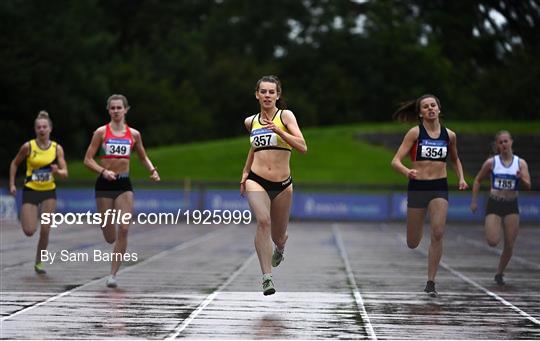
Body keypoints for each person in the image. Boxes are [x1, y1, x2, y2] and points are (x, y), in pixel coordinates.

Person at [391, 94, 468, 297]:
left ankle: (431, 281)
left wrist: (461, 177)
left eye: (433, 105)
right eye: (425, 107)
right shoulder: (415, 133)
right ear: (420, 113)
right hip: (417, 187)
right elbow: (395, 161)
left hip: (439, 187)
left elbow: (455, 159)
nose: (430, 109)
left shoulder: (449, 135)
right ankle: (417, 230)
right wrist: (407, 171)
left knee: (438, 232)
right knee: (413, 242)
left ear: (439, 109)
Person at [240, 76, 307, 295]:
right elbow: (254, 148)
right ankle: (267, 277)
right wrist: (244, 174)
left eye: (271, 92)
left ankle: (281, 246)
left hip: (283, 184)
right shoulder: (251, 121)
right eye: (263, 91)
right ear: (256, 94)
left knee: (278, 235)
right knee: (263, 221)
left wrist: (279, 131)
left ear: (278, 95)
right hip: (256, 179)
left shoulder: (285, 116)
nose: (267, 95)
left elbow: (303, 146)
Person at [84, 94, 160, 288]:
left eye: (119, 108)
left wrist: (152, 170)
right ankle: (109, 240)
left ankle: (113, 275)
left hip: (124, 185)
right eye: (113, 108)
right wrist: (103, 171)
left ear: (126, 109)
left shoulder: (134, 135)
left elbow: (143, 157)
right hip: (104, 185)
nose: (116, 111)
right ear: (108, 110)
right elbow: (88, 159)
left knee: (124, 229)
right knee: (110, 236)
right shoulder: (101, 133)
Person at [9, 111, 69, 274]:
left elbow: (65, 174)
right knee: (29, 231)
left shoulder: (57, 149)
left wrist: (57, 171)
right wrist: (12, 184)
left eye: (44, 127)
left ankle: (39, 261)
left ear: (50, 129)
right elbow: (14, 164)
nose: (41, 130)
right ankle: (27, 216)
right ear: (35, 130)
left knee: (45, 230)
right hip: (31, 190)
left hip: (49, 191)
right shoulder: (28, 146)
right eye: (38, 127)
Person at [470, 130, 531, 285]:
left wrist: (520, 177)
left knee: (510, 243)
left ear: (511, 142)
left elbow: (528, 186)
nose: (504, 144)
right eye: (501, 142)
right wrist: (474, 201)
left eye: (506, 141)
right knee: (492, 241)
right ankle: (492, 233)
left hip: (511, 204)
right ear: (497, 145)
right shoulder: (492, 162)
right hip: (495, 202)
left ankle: (499, 272)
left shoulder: (520, 163)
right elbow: (477, 180)